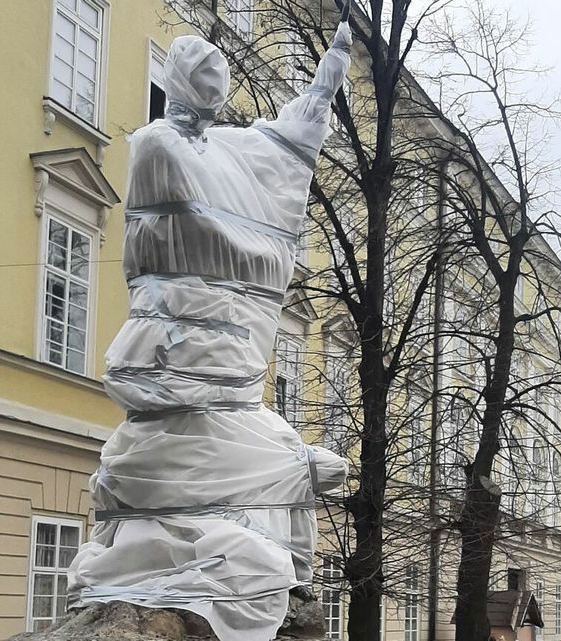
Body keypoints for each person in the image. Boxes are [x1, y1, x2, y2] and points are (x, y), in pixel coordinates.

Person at [67, 13, 354, 641]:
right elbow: (163, 233)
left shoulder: (229, 150)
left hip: (223, 333)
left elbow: (285, 144)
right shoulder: (156, 145)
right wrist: (229, 258)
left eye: (220, 80)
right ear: (177, 84)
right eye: (205, 79)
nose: (215, 92)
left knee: (276, 456)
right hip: (181, 326)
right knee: (259, 456)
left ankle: (236, 542)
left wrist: (322, 89)